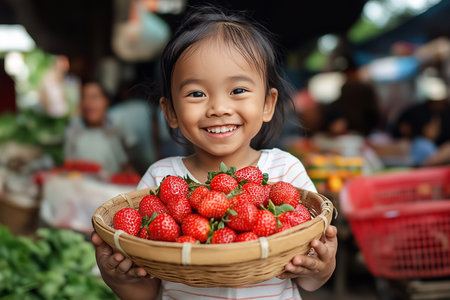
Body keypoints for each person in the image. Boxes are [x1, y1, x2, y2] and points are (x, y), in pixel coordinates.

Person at [91, 6, 337, 300]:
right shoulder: (160, 179)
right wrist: (117, 277)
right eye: (197, 93)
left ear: (268, 104)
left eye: (238, 91)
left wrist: (320, 267)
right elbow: (146, 291)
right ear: (170, 111)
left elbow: (308, 280)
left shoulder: (286, 170)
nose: (218, 108)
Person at [64, 80, 131, 175]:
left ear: (106, 102)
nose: (89, 103)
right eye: (84, 98)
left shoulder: (116, 129)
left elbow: (125, 165)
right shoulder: (74, 132)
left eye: (94, 97)